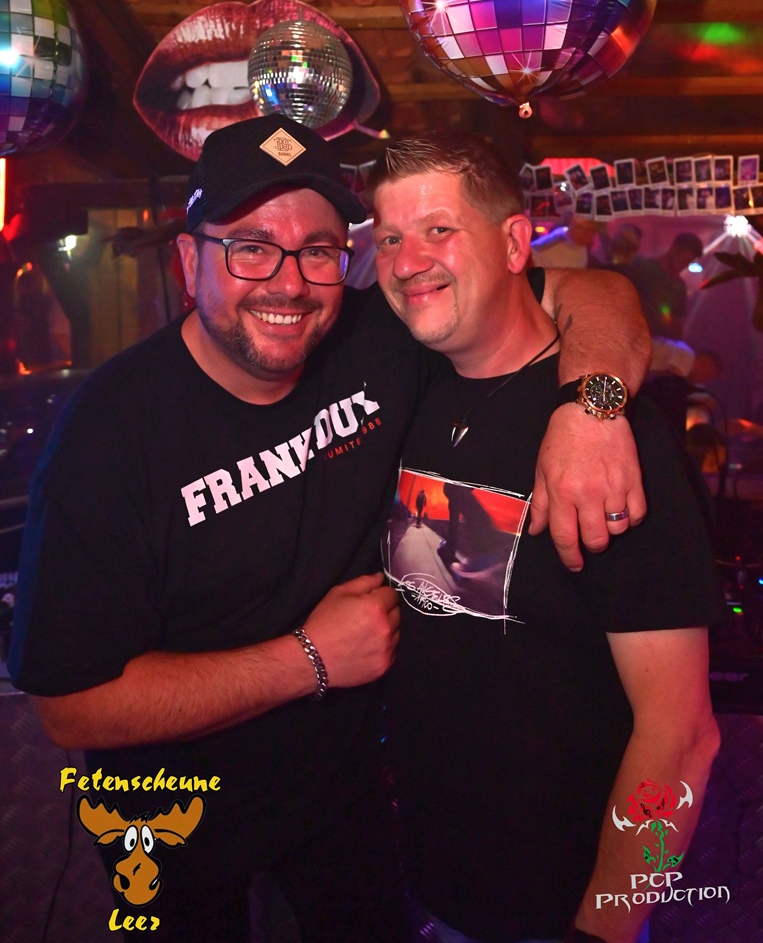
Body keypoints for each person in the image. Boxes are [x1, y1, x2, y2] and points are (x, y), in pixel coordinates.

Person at [9, 115, 650, 943]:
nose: (288, 283)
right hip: (166, 818)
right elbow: (70, 706)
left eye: (317, 251)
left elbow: (593, 293)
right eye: (250, 247)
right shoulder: (109, 435)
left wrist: (592, 409)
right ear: (189, 263)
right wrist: (308, 660)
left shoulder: (375, 339)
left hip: (341, 805)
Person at [369, 136, 722, 943]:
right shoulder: (413, 384)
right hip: (424, 891)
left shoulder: (613, 441)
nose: (407, 261)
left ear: (514, 244)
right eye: (388, 237)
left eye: (438, 230)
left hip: (560, 914)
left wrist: (608, 924)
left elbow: (682, 737)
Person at [623, 231, 704, 341]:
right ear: (674, 250)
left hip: (654, 340)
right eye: (684, 260)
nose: (684, 266)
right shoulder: (642, 267)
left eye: (688, 263)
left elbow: (676, 325)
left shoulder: (679, 287)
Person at [530, 214, 599, 269]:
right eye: (578, 227)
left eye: (589, 230)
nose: (582, 234)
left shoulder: (583, 247)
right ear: (571, 223)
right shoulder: (548, 246)